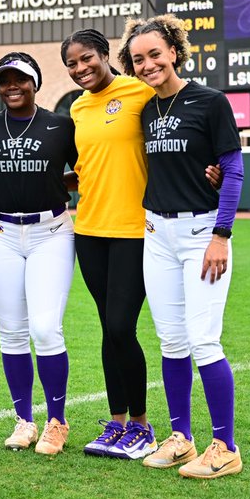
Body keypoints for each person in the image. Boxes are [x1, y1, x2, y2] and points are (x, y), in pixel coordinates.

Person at [118, 15, 245, 479]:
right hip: (157, 234)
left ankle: (225, 447)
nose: (148, 64)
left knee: (203, 340)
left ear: (174, 50)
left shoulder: (210, 101)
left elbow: (233, 170)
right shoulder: (146, 110)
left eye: (155, 53)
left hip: (201, 234)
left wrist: (221, 235)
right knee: (171, 341)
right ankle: (181, 438)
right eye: (138, 59)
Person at [0, 52, 78, 456]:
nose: (12, 86)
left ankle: (56, 421)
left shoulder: (60, 125)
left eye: (20, 79)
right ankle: (24, 420)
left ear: (35, 83)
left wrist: (56, 183)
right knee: (12, 331)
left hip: (50, 232)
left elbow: (88, 169)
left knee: (46, 329)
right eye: (4, 80)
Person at [61, 28, 159, 460]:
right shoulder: (78, 107)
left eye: (87, 58)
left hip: (133, 231)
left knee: (121, 326)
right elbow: (86, 165)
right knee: (108, 328)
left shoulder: (140, 92)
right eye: (71, 63)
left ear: (105, 55)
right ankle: (116, 423)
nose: (80, 68)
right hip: (88, 231)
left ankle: (142, 426)